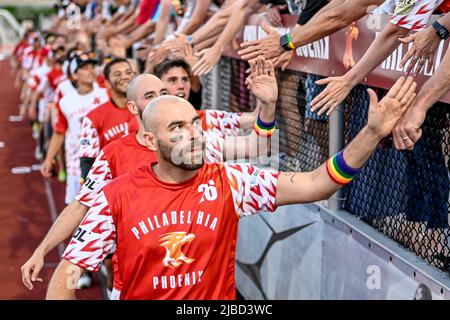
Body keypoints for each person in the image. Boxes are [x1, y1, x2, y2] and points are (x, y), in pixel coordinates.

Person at [45, 76, 416, 299]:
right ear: (147, 139)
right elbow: (68, 273)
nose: (192, 135)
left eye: (193, 123)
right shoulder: (116, 197)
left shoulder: (230, 180)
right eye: (176, 128)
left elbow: (317, 184)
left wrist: (370, 134)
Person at [21, 57, 277, 297]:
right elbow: (81, 205)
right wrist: (42, 249)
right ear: (133, 106)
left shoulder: (198, 139)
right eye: (150, 96)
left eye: (163, 93)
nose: (163, 98)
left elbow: (256, 146)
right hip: (138, 281)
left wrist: (266, 105)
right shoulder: (114, 153)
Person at [40, 53, 109, 204]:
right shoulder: (66, 102)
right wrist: (48, 159)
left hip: (106, 159)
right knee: (76, 206)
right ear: (74, 75)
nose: (91, 71)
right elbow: (59, 132)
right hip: (76, 163)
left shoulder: (106, 93)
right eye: (84, 68)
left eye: (92, 66)